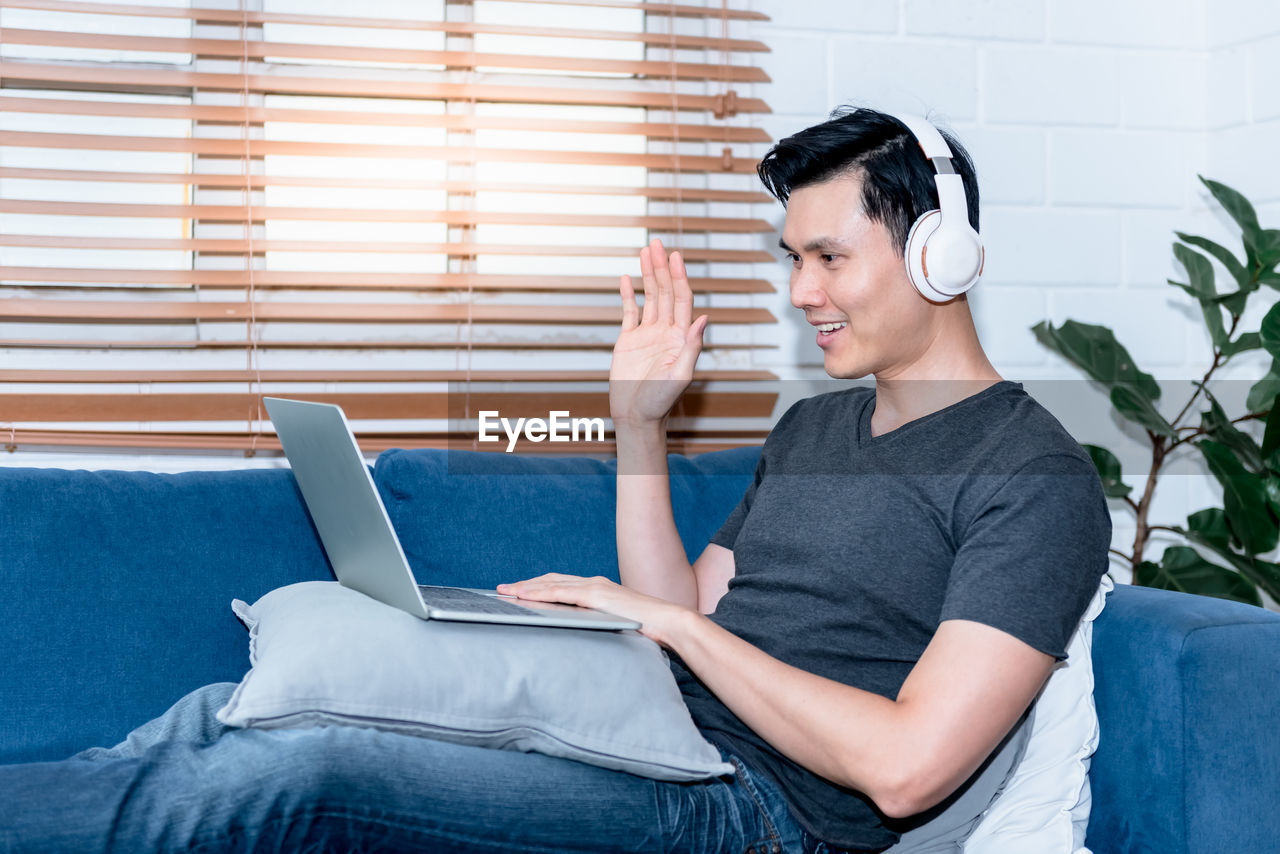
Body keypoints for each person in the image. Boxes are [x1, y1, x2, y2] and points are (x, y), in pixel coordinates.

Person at [0, 107, 1111, 854]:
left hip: (749, 812)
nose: (798, 291)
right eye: (789, 257)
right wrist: (637, 429)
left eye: (827, 257)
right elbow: (685, 611)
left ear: (939, 254)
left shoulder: (1033, 479)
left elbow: (909, 769)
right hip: (641, 724)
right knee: (244, 706)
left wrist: (669, 633)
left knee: (307, 769)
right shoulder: (816, 427)